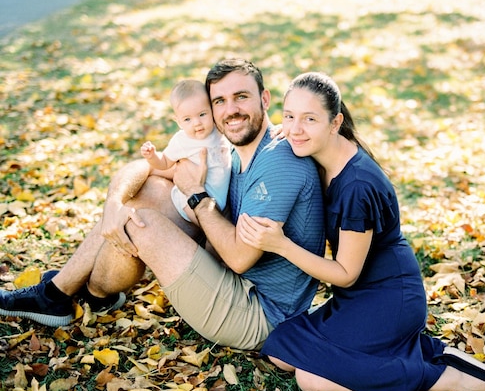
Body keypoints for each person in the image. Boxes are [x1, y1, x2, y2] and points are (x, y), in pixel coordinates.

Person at [0, 59, 326, 351]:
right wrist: (114, 202)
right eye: (219, 102)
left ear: (264, 99)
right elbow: (148, 167)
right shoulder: (228, 139)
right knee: (151, 190)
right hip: (230, 272)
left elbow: (240, 259)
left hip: (259, 313)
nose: (232, 110)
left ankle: (82, 294)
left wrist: (197, 194)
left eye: (242, 97)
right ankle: (71, 294)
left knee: (141, 221)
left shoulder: (280, 163)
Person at [237, 72, 485, 391]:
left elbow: (346, 274)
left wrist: (280, 245)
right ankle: (421, 350)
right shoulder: (320, 153)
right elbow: (283, 138)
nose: (295, 129)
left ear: (335, 122)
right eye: (289, 116)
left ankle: (450, 376)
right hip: (356, 298)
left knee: (311, 380)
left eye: (310, 119)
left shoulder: (356, 185)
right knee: (282, 350)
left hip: (388, 297)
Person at [141, 79, 230, 226]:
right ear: (178, 122)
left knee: (221, 222)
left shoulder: (218, 129)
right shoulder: (182, 141)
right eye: (187, 119)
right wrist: (152, 156)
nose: (197, 123)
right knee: (209, 228)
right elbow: (164, 162)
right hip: (188, 199)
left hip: (218, 198)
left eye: (202, 114)